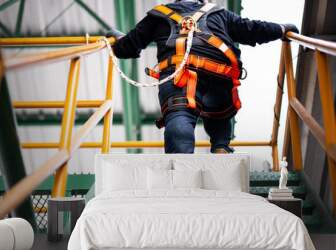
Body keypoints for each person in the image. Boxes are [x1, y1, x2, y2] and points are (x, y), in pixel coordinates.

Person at [107, 0, 298, 154]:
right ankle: (221, 146)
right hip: (220, 75)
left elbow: (128, 47)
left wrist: (116, 40)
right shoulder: (219, 13)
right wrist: (281, 29)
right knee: (219, 110)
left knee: (180, 116)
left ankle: (181, 169)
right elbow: (251, 29)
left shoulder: (157, 15)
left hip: (180, 75)